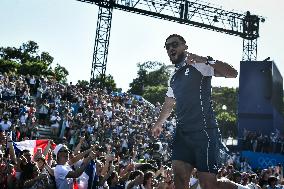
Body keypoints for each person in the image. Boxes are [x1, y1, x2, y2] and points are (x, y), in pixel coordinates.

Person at [151, 34, 244, 189]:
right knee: (180, 180)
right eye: (167, 46)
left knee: (208, 185)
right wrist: (159, 123)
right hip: (182, 134)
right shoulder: (173, 76)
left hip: (204, 132)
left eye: (174, 44)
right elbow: (169, 103)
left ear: (185, 46)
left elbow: (233, 73)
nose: (170, 48)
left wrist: (207, 60)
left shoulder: (200, 64)